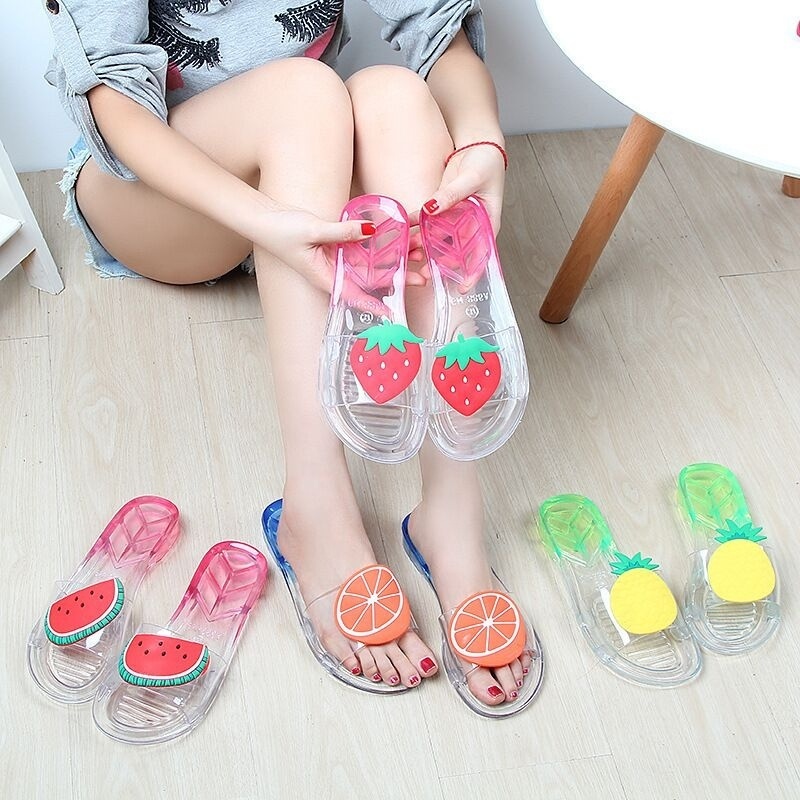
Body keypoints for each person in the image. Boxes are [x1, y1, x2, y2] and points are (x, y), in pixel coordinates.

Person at [45, 0, 530, 705]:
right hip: (152, 191)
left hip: (304, 173)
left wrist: (484, 141)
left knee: (394, 94)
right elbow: (113, 101)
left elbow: (436, 25)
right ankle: (316, 508)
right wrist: (267, 221)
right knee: (303, 93)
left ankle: (451, 514)